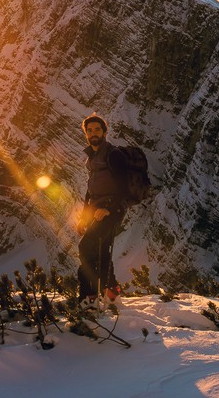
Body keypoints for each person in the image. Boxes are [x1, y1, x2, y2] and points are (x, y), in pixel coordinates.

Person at [76, 113, 128, 303]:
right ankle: (111, 290)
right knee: (102, 250)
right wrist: (84, 216)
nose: (93, 133)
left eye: (97, 129)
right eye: (89, 131)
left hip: (112, 210)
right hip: (97, 210)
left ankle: (88, 294)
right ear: (86, 134)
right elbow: (91, 192)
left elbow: (125, 186)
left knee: (85, 248)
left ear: (105, 132)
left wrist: (109, 209)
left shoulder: (113, 154)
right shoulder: (92, 156)